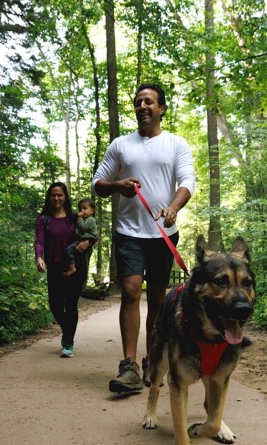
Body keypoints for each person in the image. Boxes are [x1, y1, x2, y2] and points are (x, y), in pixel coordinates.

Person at [91, 83, 196, 394]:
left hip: (163, 234)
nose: (142, 107)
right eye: (138, 102)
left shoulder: (176, 144)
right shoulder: (121, 145)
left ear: (161, 108)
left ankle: (153, 359)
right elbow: (98, 182)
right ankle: (129, 366)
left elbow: (187, 180)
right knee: (131, 290)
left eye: (148, 102)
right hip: (129, 232)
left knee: (159, 300)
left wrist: (174, 207)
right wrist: (117, 185)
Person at [35, 182, 94, 358]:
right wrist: (39, 257)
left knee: (71, 304)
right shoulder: (44, 219)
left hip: (76, 267)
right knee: (55, 306)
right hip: (54, 266)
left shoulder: (74, 217)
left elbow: (93, 234)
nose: (56, 198)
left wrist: (87, 242)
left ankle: (68, 342)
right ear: (49, 197)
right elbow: (39, 241)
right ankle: (67, 330)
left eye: (60, 195)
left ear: (65, 197)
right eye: (53, 195)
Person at [63, 198, 97, 277]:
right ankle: (72, 268)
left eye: (85, 209)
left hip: (81, 245)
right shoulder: (78, 218)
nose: (82, 211)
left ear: (92, 211)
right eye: (80, 209)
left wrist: (80, 218)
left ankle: (72, 268)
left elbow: (85, 230)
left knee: (69, 251)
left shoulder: (89, 219)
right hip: (75, 245)